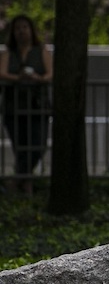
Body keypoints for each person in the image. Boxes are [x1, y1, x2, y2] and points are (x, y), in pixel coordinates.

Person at [1, 16, 53, 197]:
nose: (21, 31)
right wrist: (19, 79)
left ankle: (15, 181)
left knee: (37, 145)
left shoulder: (41, 51)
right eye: (17, 28)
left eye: (25, 27)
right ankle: (27, 185)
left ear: (31, 30)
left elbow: (49, 74)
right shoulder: (9, 53)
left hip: (37, 106)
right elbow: (2, 73)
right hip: (13, 106)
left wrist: (37, 79)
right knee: (20, 146)